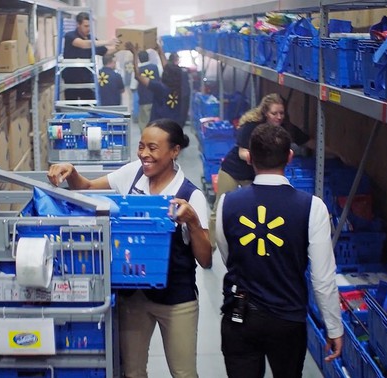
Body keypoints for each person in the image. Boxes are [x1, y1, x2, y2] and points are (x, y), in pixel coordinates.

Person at [48, 119, 212, 378]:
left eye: (153, 148)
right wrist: (72, 172)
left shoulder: (191, 195)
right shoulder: (134, 174)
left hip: (176, 300)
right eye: (141, 146)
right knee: (132, 372)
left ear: (174, 151)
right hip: (133, 297)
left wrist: (192, 221)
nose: (145, 154)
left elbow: (205, 260)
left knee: (183, 373)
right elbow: (88, 188)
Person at [215, 123, 343, 378]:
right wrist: (334, 327)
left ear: (249, 157)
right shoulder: (313, 207)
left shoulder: (227, 203)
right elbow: (322, 279)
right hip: (288, 320)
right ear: (290, 157)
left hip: (240, 316)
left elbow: (228, 255)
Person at [208, 93, 311, 249]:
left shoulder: (285, 129)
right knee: (219, 209)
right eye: (274, 113)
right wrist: (262, 155)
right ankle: (209, 247)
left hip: (255, 176)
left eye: (281, 113)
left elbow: (309, 141)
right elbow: (243, 153)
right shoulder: (251, 126)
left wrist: (337, 154)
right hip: (233, 171)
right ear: (265, 113)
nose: (278, 117)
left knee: (256, 213)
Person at [62, 12, 119, 101]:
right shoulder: (70, 36)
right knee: (72, 108)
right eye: (86, 26)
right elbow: (83, 44)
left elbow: (106, 51)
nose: (88, 29)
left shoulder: (91, 38)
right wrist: (107, 41)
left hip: (86, 79)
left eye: (89, 26)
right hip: (72, 80)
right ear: (78, 24)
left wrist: (123, 47)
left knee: (89, 108)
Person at [127, 42, 185, 127]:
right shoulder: (179, 88)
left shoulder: (160, 88)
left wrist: (135, 54)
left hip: (160, 126)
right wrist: (160, 52)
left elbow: (138, 76)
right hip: (174, 125)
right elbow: (167, 69)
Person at [130, 50, 162, 130]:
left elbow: (133, 87)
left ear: (139, 59)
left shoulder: (137, 71)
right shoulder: (156, 67)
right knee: (157, 123)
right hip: (157, 100)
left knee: (144, 123)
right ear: (148, 57)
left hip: (144, 100)